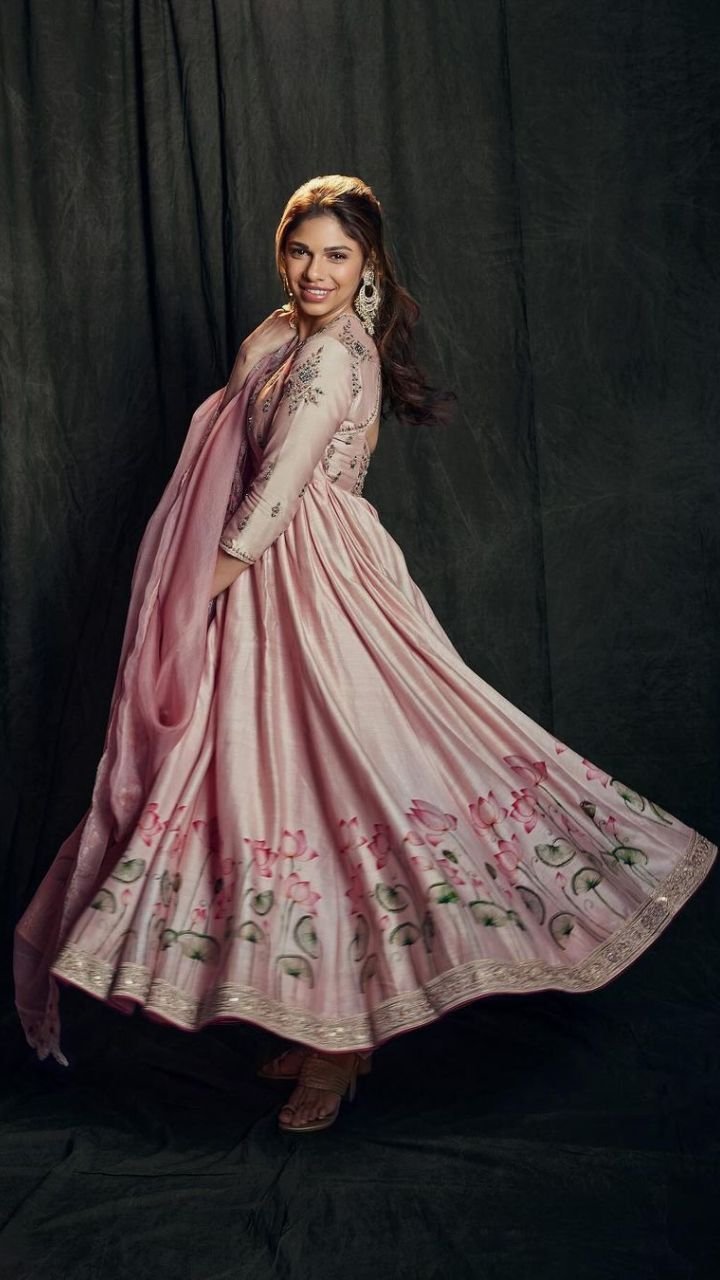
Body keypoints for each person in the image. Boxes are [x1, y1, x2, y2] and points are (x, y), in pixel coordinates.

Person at [13, 174, 717, 1135]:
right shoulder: (292, 336)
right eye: (300, 251)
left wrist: (184, 599)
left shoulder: (331, 358)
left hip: (311, 581)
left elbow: (272, 496)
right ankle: (326, 1027)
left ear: (368, 264)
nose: (315, 271)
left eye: (337, 256)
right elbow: (240, 424)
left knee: (346, 785)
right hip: (274, 580)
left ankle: (340, 1051)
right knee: (279, 791)